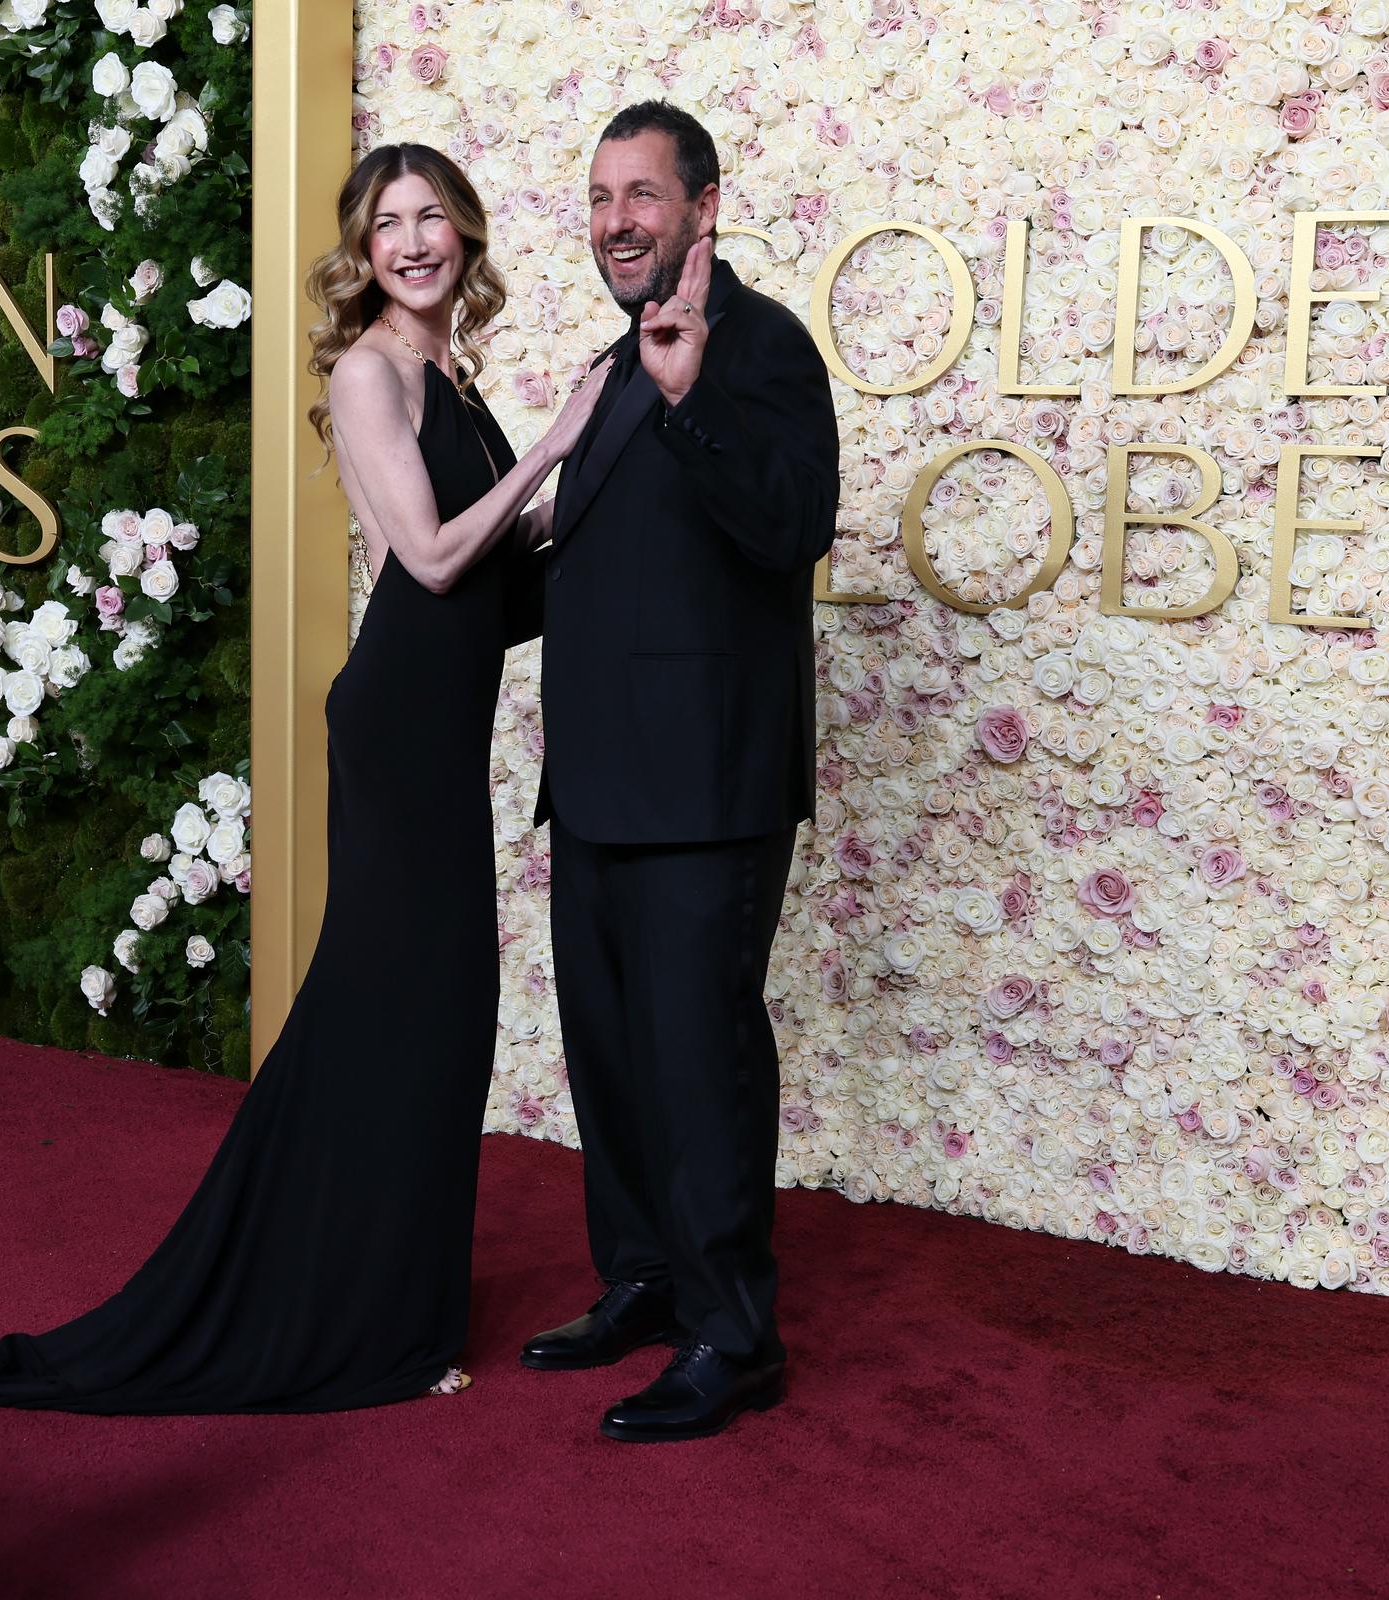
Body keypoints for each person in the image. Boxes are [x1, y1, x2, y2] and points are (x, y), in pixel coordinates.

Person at [0, 144, 610, 1414]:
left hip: (437, 730)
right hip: (395, 733)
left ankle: (390, 1307)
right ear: (362, 252)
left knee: (425, 1020)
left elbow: (498, 571)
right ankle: (349, 1316)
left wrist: (600, 481)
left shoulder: (446, 370)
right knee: (398, 1013)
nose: (416, 242)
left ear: (466, 236)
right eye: (389, 224)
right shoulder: (370, 369)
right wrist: (558, 444)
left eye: (435, 218)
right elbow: (431, 561)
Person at [519, 102, 840, 1442]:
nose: (618, 220)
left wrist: (691, 393)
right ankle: (645, 1279)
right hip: (597, 785)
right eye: (601, 197)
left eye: (643, 193)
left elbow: (792, 527)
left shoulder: (756, 348)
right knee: (611, 1058)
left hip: (708, 791)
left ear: (706, 205)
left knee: (700, 1064)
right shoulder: (610, 364)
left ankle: (734, 1333)